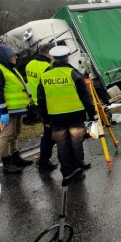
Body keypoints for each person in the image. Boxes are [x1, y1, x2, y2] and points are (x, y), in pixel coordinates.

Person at [37, 45, 97, 182]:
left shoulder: (45, 76)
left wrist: (44, 118)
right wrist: (92, 114)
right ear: (67, 58)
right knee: (76, 143)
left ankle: (67, 172)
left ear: (53, 58)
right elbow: (85, 97)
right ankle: (78, 170)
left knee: (62, 144)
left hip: (55, 116)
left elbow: (41, 99)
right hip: (75, 114)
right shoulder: (74, 74)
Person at [0, 44, 34, 174]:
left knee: (15, 133)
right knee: (6, 136)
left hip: (17, 109)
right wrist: (3, 111)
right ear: (4, 56)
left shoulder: (11, 69)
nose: (15, 57)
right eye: (13, 55)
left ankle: (15, 157)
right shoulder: (1, 70)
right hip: (7, 110)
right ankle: (7, 163)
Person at [25, 43, 58, 173]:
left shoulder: (30, 64)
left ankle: (43, 161)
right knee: (51, 135)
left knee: (48, 134)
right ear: (49, 53)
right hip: (49, 103)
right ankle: (44, 162)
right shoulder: (46, 67)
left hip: (39, 103)